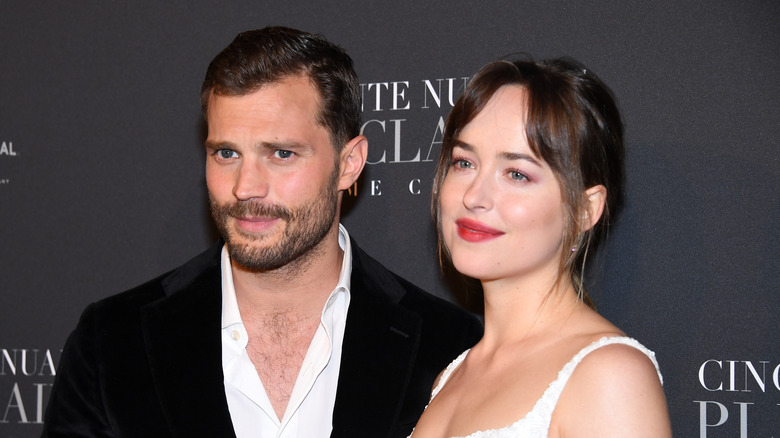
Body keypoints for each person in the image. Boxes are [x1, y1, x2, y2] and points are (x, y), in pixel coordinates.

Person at [42, 27, 482, 438]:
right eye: (227, 153)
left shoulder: (449, 347)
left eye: (282, 153)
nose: (245, 187)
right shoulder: (111, 343)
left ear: (348, 164)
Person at [409, 58, 671, 437]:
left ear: (584, 209)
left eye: (516, 173)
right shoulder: (452, 374)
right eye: (464, 162)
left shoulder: (610, 376)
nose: (474, 196)